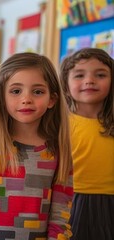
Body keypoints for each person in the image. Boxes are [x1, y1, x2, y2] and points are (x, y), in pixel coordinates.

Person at [0, 52, 73, 240]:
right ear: (2, 97)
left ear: (52, 99)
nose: (26, 99)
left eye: (37, 91)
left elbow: (61, 207)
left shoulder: (57, 150)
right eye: (16, 91)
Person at [59, 48, 114, 240]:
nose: (89, 80)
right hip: (70, 201)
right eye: (79, 75)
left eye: (100, 75)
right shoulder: (59, 125)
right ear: (65, 84)